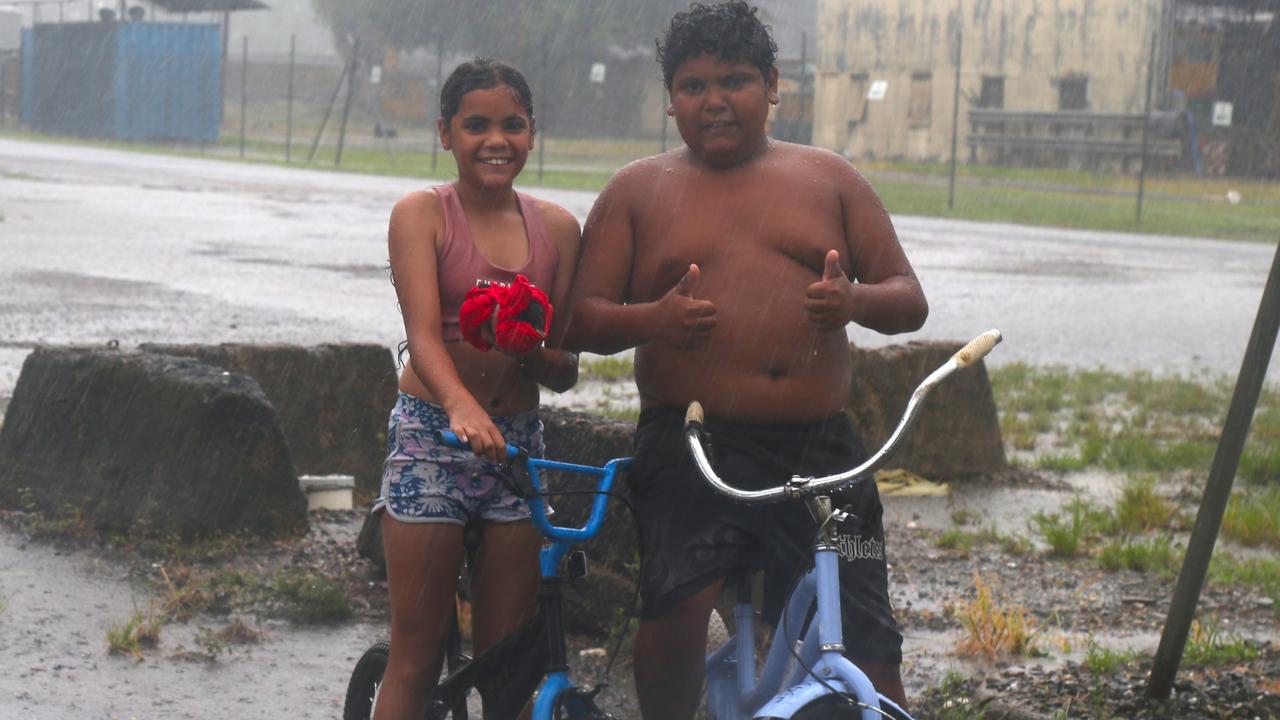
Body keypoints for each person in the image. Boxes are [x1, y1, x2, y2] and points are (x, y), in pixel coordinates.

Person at [562, 2, 927, 718]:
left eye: (734, 81)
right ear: (670, 101)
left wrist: (853, 302)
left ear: (772, 85)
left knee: (865, 635)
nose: (715, 101)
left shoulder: (828, 178)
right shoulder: (639, 190)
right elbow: (581, 319)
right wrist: (654, 320)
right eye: (693, 86)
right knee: (676, 608)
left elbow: (908, 299)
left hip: (822, 449)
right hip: (694, 442)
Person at [372, 58, 581, 720]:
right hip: (433, 437)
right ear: (445, 133)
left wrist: (536, 351)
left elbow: (566, 367)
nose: (497, 140)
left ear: (532, 132)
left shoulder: (559, 229)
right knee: (416, 650)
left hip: (516, 448)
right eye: (476, 125)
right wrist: (460, 406)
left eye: (512, 125)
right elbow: (425, 337)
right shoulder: (422, 214)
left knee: (509, 659)